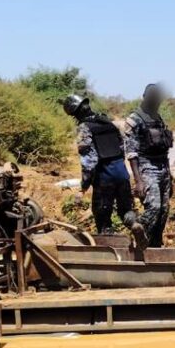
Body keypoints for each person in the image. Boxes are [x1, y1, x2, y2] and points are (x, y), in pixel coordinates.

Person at [62, 94, 146, 245]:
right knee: (126, 210)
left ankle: (108, 248)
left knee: (102, 216)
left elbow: (89, 162)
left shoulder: (84, 127)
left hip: (104, 177)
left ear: (75, 113)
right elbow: (122, 147)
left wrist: (83, 187)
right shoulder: (108, 121)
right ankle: (134, 224)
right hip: (122, 173)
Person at [125, 83, 174, 248]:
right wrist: (138, 181)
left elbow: (164, 147)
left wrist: (169, 175)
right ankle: (136, 226)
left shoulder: (157, 118)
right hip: (147, 167)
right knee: (154, 207)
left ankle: (155, 244)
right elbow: (131, 153)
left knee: (164, 210)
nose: (157, 102)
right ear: (145, 97)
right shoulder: (134, 119)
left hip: (163, 167)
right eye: (154, 99)